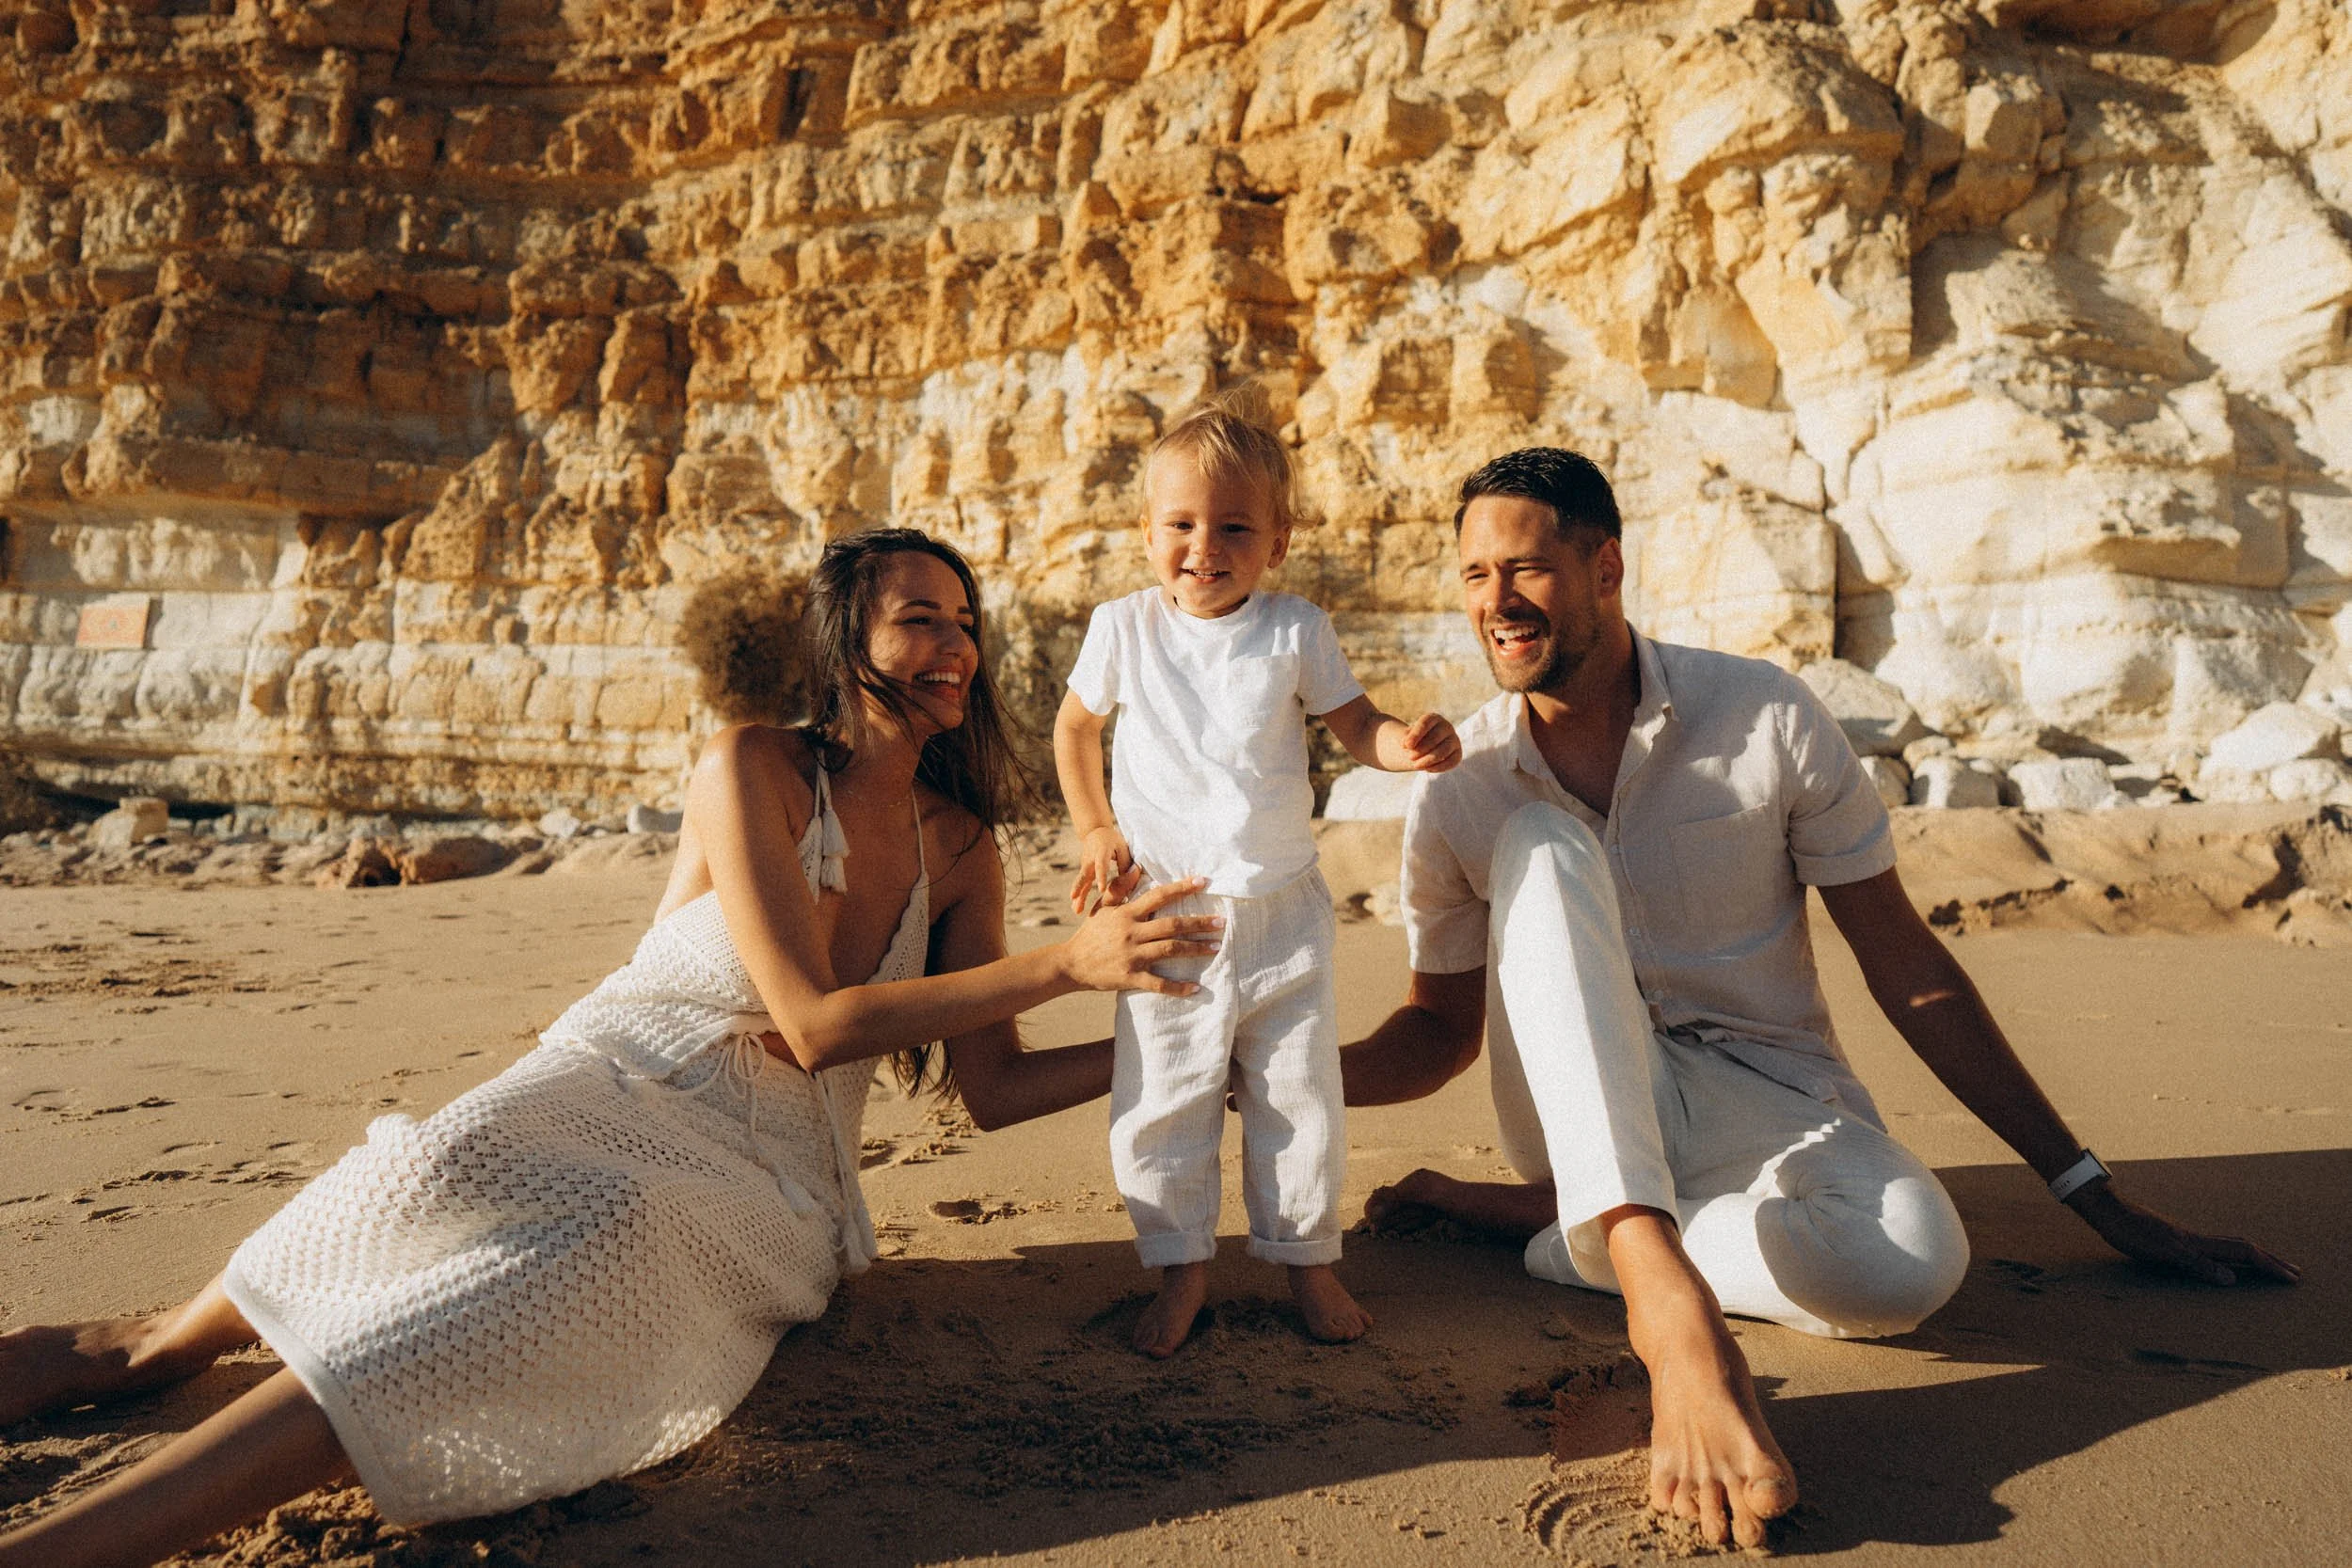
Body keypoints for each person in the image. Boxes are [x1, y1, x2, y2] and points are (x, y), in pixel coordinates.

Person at [0, 529, 1227, 1568]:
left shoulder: (960, 845)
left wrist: (1168, 1043)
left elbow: (994, 1085)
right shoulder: (753, 763)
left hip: (761, 1174)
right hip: (601, 1074)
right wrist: (1070, 962)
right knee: (409, 1184)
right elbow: (812, 1016)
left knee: (492, 1300)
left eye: (966, 620)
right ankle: (150, 1340)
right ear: (844, 638)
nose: (959, 645)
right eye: (922, 618)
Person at [1343, 449, 2299, 1550]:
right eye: (1471, 576)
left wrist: (2095, 1196)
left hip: (1770, 1092)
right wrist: (1247, 1069)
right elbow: (1435, 1034)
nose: (1495, 603)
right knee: (1544, 846)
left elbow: (1909, 965)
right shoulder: (1461, 782)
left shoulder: (1762, 716)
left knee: (1906, 1262)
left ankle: (1575, 1231)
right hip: (1572, 1105)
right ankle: (1670, 1309)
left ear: (1605, 565)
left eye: (1525, 568)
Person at [1054, 391, 1461, 1357]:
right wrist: (1095, 826)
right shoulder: (1123, 627)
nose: (1205, 546)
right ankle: (1181, 1269)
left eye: (1235, 526)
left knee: (1301, 1092)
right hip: (1170, 910)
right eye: (1182, 524)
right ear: (1144, 530)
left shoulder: (1294, 628)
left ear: (1277, 540)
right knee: (1164, 1095)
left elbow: (1353, 722)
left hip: (1283, 906)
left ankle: (1307, 1260)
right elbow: (1075, 727)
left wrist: (1402, 744)